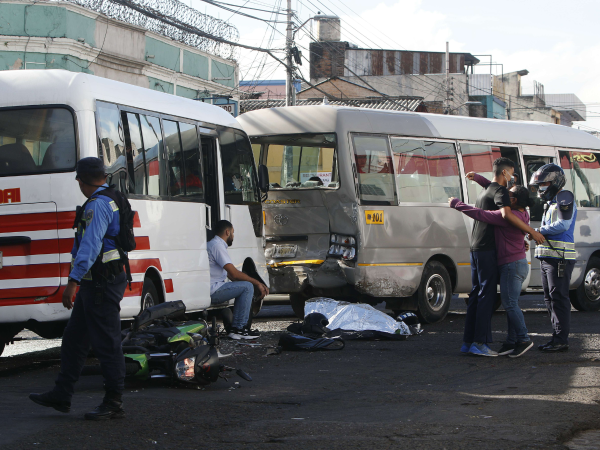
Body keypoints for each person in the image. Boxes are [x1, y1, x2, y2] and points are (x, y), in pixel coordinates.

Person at [29, 157, 128, 420]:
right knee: (74, 339)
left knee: (107, 342)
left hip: (100, 282)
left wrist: (72, 282)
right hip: (100, 280)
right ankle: (62, 394)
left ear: (80, 181)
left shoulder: (96, 205)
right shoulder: (112, 197)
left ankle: (113, 401)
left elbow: (90, 246)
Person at [459, 158, 545, 357]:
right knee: (494, 299)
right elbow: (495, 197)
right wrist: (531, 233)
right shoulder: (506, 202)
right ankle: (491, 342)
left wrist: (458, 203)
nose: (512, 181)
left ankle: (503, 340)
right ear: (506, 172)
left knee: (494, 299)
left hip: (494, 256)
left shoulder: (502, 205)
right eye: (512, 173)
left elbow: (486, 209)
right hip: (499, 257)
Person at [530, 164, 577, 353]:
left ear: (555, 182)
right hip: (548, 258)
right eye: (539, 184)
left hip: (559, 259)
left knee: (558, 299)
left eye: (545, 183)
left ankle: (560, 340)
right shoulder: (551, 202)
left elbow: (563, 225)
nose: (541, 188)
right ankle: (556, 338)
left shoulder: (564, 197)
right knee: (549, 299)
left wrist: (538, 231)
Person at [208, 220, 269, 339]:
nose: (233, 236)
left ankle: (237, 328)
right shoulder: (217, 246)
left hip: (212, 288)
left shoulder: (213, 244)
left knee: (245, 286)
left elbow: (230, 275)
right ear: (227, 232)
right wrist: (257, 283)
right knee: (247, 287)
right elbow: (234, 274)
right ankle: (239, 329)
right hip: (213, 290)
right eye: (233, 233)